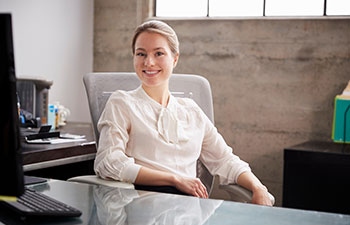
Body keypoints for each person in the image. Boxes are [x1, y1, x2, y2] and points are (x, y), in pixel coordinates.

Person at [94, 20, 272, 206]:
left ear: (175, 59)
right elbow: (108, 162)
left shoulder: (191, 111)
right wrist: (174, 179)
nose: (149, 62)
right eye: (141, 54)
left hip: (190, 212)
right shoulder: (122, 103)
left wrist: (258, 187)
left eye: (159, 53)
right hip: (144, 208)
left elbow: (225, 160)